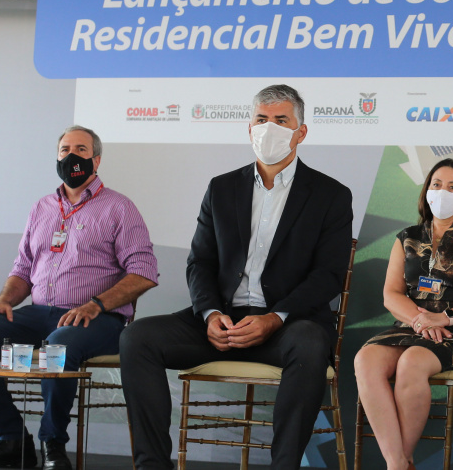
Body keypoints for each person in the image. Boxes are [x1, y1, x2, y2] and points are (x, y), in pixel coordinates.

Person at [120, 84, 353, 469]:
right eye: (261, 120)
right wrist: (210, 314)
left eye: (281, 120)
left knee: (310, 344)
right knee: (137, 338)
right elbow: (199, 263)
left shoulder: (330, 194)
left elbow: (329, 275)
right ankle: (152, 466)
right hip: (223, 321)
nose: (269, 129)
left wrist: (274, 317)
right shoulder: (222, 188)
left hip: (287, 324)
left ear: (301, 132)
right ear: (249, 128)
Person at [0, 126, 158, 470]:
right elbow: (23, 268)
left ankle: (52, 443)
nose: (72, 156)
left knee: (60, 344)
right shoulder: (41, 207)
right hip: (38, 313)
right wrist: (5, 299)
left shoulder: (119, 207)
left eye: (81, 149)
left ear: (96, 159)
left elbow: (144, 271)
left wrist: (95, 304)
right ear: (57, 157)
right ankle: (11, 437)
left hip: (98, 319)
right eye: (65, 148)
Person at [355, 159, 453, 470]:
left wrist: (444, 318)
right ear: (426, 191)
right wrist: (422, 321)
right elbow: (391, 295)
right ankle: (399, 463)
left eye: (452, 187)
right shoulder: (408, 236)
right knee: (364, 360)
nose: (442, 191)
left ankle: (399, 463)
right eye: (436, 184)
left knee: (411, 362)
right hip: (411, 326)